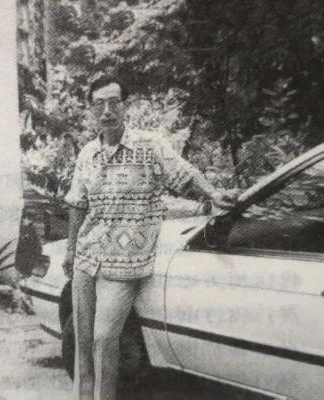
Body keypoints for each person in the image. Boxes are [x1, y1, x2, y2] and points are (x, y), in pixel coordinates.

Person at [62, 76, 234, 400]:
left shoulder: (150, 145)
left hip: (126, 261)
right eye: (99, 104)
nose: (107, 111)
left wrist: (213, 193)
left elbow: (185, 173)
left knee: (104, 338)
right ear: (92, 110)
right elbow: (77, 203)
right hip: (87, 257)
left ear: (125, 105)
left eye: (114, 102)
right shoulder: (87, 154)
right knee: (82, 343)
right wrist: (71, 251)